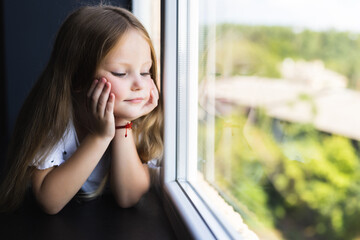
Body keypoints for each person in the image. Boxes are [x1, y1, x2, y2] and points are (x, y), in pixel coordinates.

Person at [0, 5, 163, 215]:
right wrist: (100, 136)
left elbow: (128, 197)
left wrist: (123, 123)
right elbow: (49, 202)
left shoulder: (138, 119)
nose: (139, 84)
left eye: (145, 71)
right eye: (120, 73)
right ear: (78, 78)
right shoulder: (59, 121)